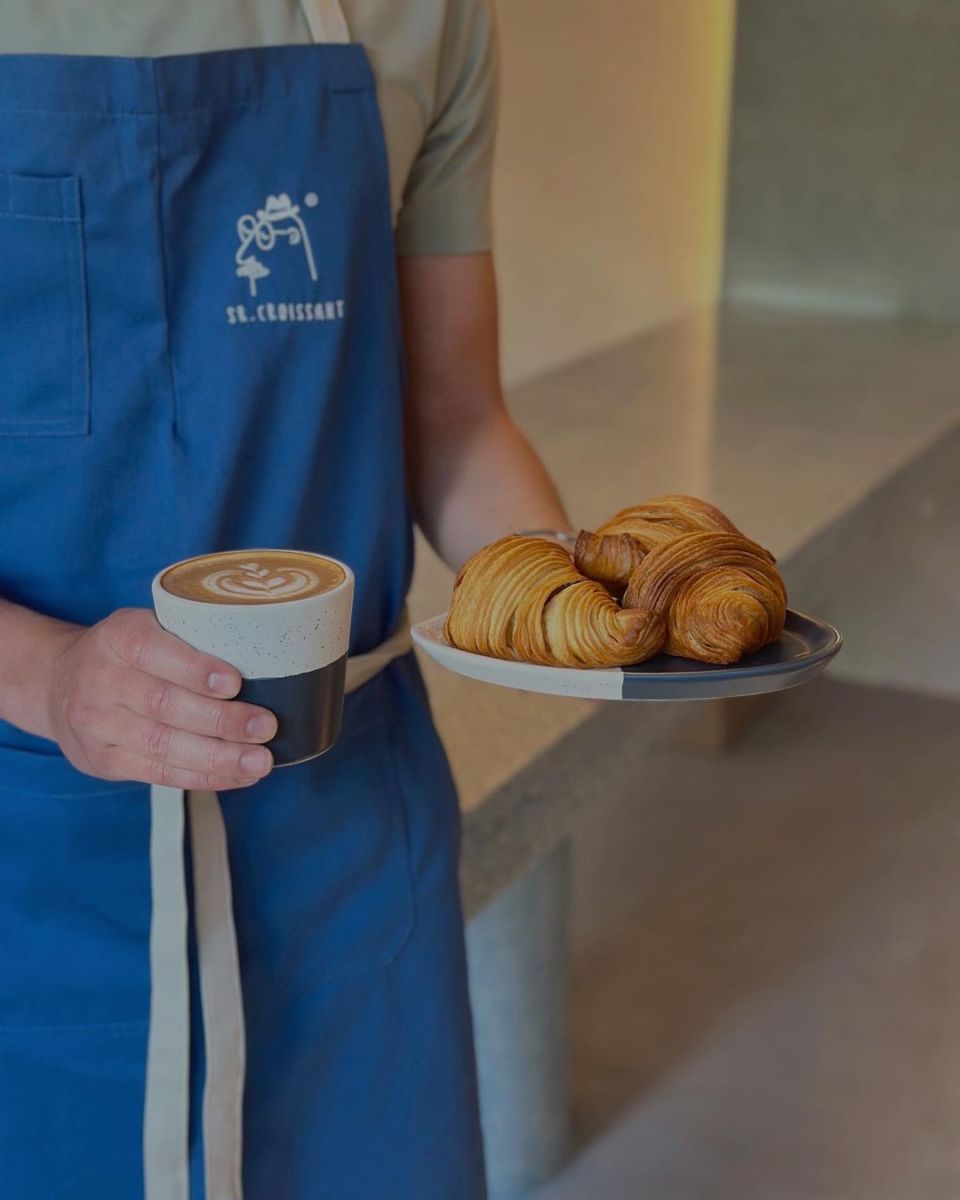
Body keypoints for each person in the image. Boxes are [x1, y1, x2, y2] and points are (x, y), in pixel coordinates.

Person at [0, 2, 571, 1197]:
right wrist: (43, 675)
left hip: (343, 842)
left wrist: (575, 600)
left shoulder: (428, 17)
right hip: (25, 844)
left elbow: (455, 420)